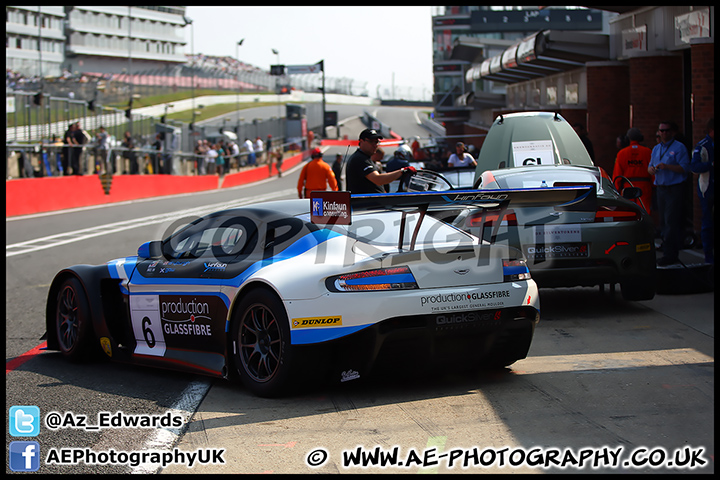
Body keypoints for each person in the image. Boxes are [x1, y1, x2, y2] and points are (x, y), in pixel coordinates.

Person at [649, 120, 690, 266]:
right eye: (661, 131)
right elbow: (649, 167)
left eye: (666, 130)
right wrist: (652, 170)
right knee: (663, 222)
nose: (664, 133)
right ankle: (668, 251)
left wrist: (667, 166)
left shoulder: (679, 148)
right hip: (661, 188)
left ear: (672, 132)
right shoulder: (656, 149)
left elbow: (685, 168)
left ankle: (670, 254)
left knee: (671, 221)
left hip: (674, 188)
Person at [345, 128, 416, 194]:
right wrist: (402, 171)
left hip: (371, 204)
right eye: (371, 142)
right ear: (361, 141)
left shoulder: (365, 158)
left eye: (376, 142)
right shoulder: (360, 159)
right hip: (365, 205)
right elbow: (378, 179)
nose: (375, 145)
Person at [689, 118, 714, 264]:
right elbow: (694, 167)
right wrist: (710, 164)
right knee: (707, 223)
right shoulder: (702, 146)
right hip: (707, 189)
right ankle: (708, 255)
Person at [612, 128, 653, 214]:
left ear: (627, 139)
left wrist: (616, 189)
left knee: (629, 211)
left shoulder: (622, 153)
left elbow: (617, 174)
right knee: (644, 211)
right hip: (645, 186)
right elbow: (653, 172)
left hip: (628, 186)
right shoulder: (648, 152)